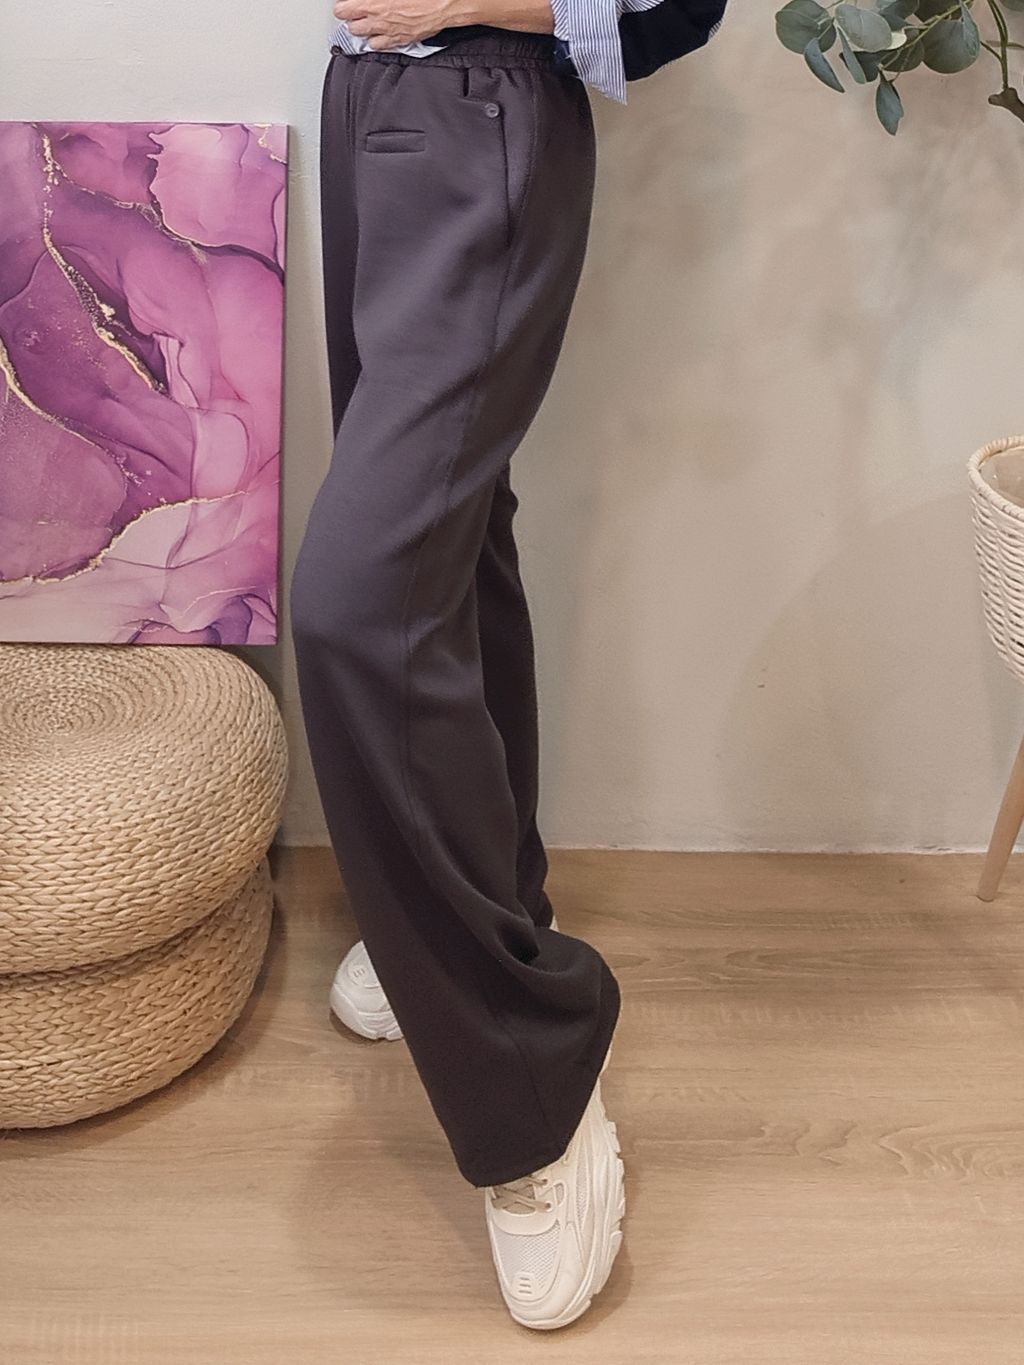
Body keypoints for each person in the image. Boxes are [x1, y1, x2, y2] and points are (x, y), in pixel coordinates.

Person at [291, 0, 725, 1331]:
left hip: (484, 110)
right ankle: (482, 906)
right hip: (369, 109)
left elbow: (680, 7)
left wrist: (476, 2)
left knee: (357, 605)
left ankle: (535, 1085)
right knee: (445, 552)